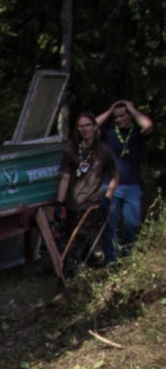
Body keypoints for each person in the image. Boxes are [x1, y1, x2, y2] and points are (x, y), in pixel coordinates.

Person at [54, 111, 118, 270]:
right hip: (72, 203)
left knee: (76, 243)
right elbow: (65, 178)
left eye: (88, 125)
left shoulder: (103, 152)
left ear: (95, 127)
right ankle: (93, 266)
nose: (85, 129)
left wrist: (107, 197)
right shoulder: (71, 151)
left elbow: (115, 176)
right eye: (81, 126)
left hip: (91, 205)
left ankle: (68, 277)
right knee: (72, 240)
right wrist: (59, 202)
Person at [96, 98, 154, 262]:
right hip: (111, 185)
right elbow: (92, 126)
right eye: (116, 117)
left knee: (132, 223)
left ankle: (127, 256)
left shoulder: (136, 133)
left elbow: (148, 125)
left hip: (132, 185)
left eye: (122, 116)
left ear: (129, 116)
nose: (119, 120)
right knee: (110, 224)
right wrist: (110, 110)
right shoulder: (109, 133)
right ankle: (111, 260)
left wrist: (132, 108)